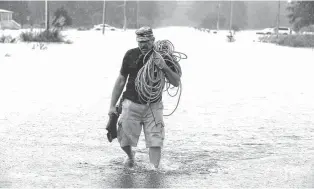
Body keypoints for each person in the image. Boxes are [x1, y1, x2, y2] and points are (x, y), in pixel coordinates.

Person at [108, 26, 181, 168]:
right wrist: (112, 105)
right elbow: (121, 79)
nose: (143, 45)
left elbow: (176, 82)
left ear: (153, 40)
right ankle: (131, 157)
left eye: (147, 41)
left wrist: (164, 66)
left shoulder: (164, 57)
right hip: (131, 103)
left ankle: (154, 171)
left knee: (155, 141)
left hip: (153, 105)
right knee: (124, 139)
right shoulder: (130, 55)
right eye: (140, 41)